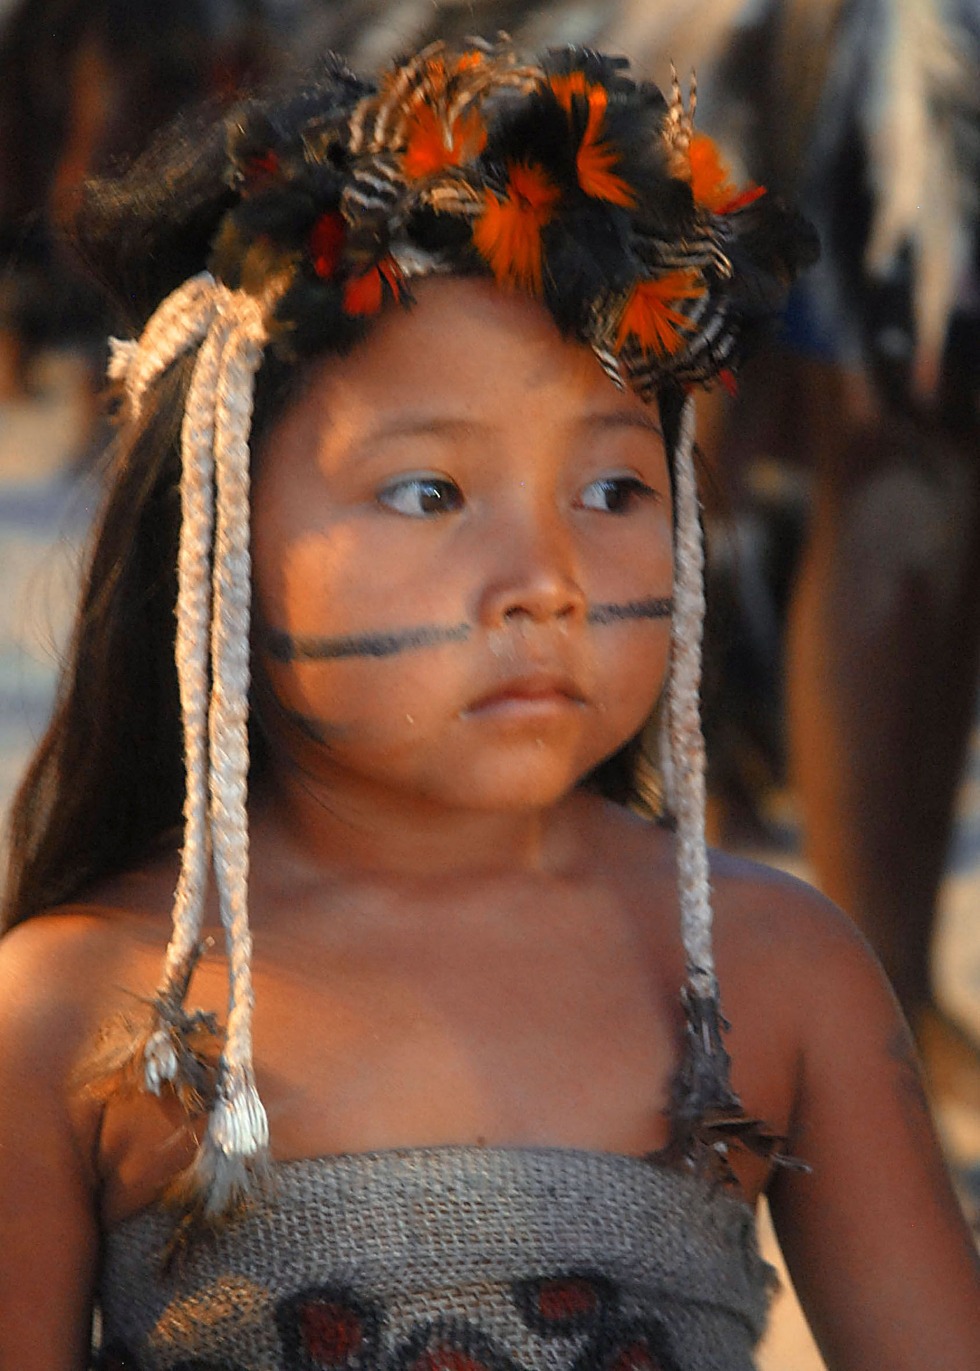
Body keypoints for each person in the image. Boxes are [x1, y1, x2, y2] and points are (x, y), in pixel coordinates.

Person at [0, 39, 976, 1370]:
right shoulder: (78, 1014)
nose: (548, 584)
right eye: (428, 493)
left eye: (614, 492)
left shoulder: (766, 973)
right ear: (216, 529)